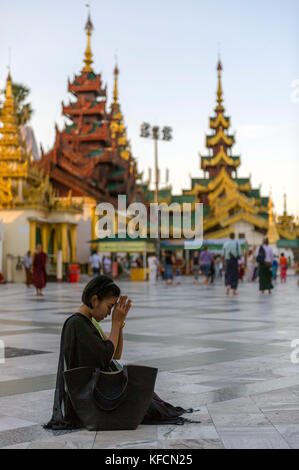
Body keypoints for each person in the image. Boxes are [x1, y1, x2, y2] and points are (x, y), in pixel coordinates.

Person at [44, 276, 198, 430]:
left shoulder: (89, 322)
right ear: (95, 299)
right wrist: (115, 323)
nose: (109, 313)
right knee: (139, 402)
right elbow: (106, 356)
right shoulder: (77, 324)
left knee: (146, 398)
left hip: (96, 390)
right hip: (90, 398)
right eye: (109, 306)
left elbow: (115, 353)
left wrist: (120, 324)